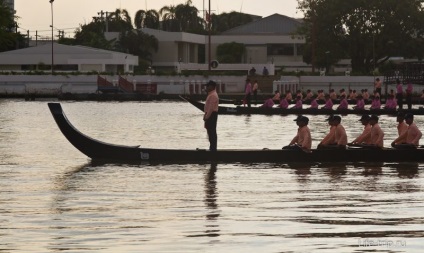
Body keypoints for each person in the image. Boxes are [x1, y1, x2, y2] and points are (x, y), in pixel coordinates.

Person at [204, 80, 219, 151]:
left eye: (208, 86)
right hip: (210, 114)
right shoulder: (211, 94)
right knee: (210, 131)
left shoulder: (213, 95)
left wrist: (206, 117)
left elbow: (211, 108)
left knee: (211, 131)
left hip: (212, 114)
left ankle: (213, 148)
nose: (207, 87)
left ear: (212, 87)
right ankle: (212, 147)